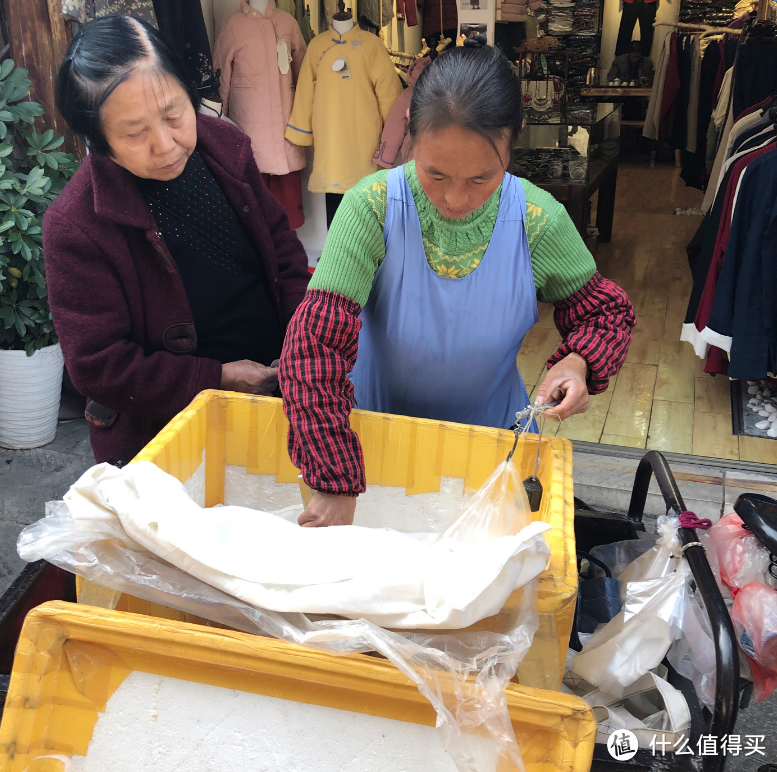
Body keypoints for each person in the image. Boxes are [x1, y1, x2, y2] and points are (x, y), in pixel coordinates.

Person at [280, 37, 636, 527]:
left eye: (480, 178)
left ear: (517, 137)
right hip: (372, 442)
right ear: (409, 129)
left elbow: (606, 313)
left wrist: (577, 363)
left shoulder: (538, 220)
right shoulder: (372, 208)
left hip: (490, 449)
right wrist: (332, 477)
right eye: (435, 173)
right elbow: (313, 346)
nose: (454, 199)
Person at [44, 16, 310, 467]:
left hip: (277, 393)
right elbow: (97, 363)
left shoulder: (226, 146)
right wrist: (216, 378)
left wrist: (304, 343)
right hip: (168, 434)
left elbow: (281, 249)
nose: (166, 145)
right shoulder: (76, 224)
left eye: (174, 115)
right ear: (99, 140)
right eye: (134, 133)